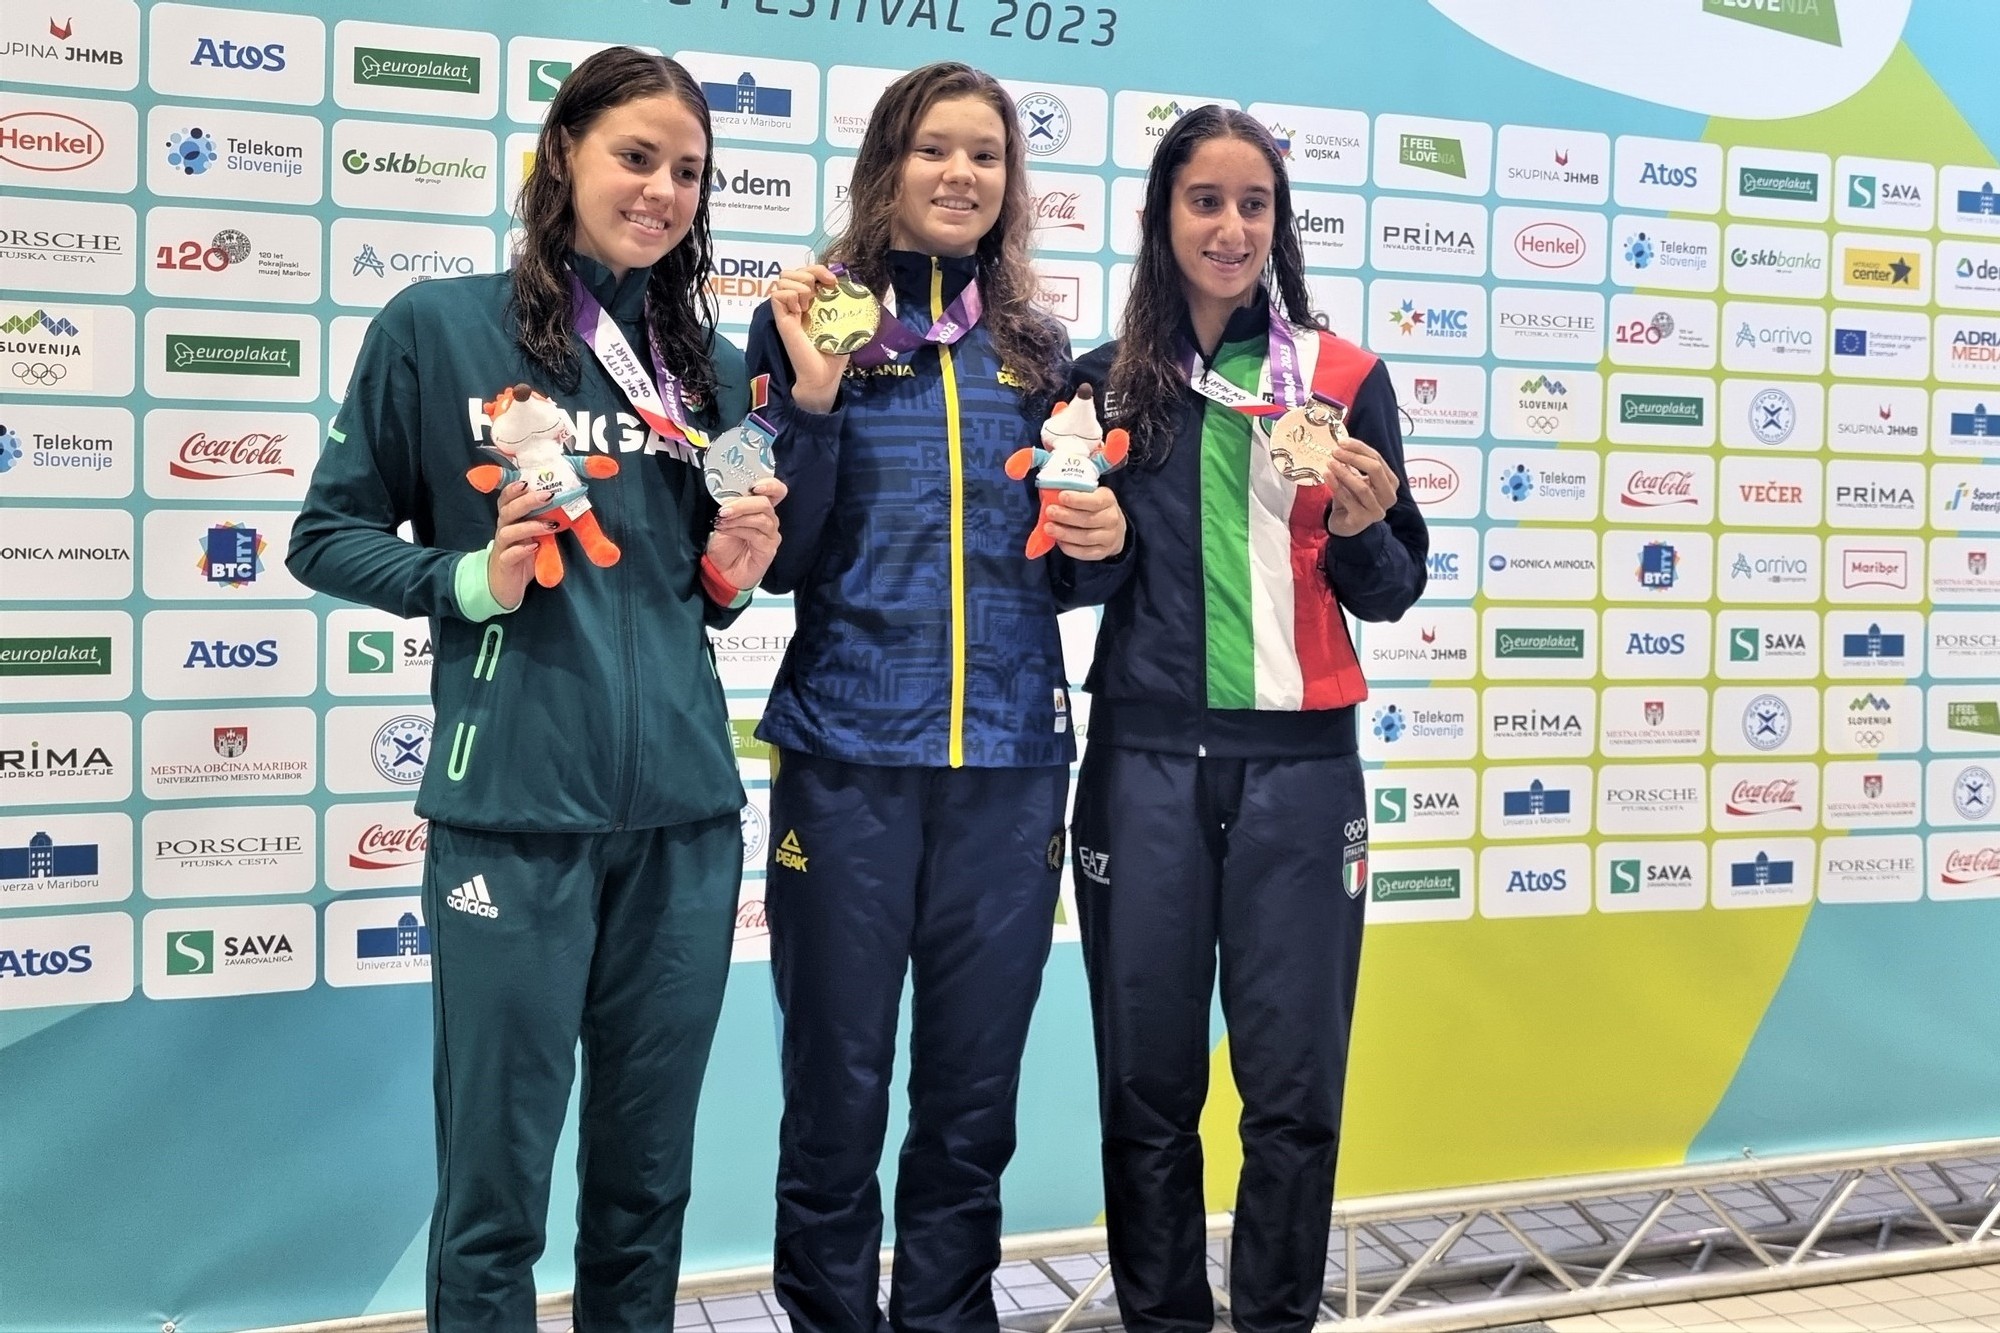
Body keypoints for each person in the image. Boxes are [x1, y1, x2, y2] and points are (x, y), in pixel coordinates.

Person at [287, 47, 783, 1331]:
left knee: (644, 1188)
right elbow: (325, 537)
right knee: (494, 1194)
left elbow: (699, 584)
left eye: (687, 171)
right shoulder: (437, 326)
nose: (662, 190)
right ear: (563, 152)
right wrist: (471, 579)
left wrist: (733, 573)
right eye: (636, 157)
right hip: (511, 813)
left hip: (683, 821)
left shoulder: (710, 365)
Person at [742, 60, 1127, 1333]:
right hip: (847, 752)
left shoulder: (1036, 347)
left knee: (970, 1100)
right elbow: (778, 559)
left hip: (1010, 763)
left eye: (986, 153)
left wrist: (1099, 542)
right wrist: (808, 398)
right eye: (933, 148)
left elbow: (1063, 572)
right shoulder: (810, 318)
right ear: (886, 165)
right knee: (835, 1090)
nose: (961, 173)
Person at [1067, 105, 1428, 1333]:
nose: (1229, 227)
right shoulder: (1101, 385)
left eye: (1252, 204)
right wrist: (1084, 543)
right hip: (1142, 766)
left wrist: (1365, 528)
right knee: (1144, 1091)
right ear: (1159, 217)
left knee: (1292, 1095)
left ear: (1279, 223)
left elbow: (1392, 586)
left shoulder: (1342, 379)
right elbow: (1066, 579)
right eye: (1204, 201)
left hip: (1300, 774)